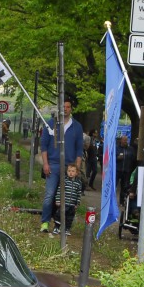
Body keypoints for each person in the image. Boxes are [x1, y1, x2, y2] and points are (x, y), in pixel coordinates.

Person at [39, 99, 85, 232]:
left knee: (68, 197)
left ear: (71, 109)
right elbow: (44, 145)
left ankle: (63, 224)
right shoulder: (51, 124)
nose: (65, 109)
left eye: (68, 107)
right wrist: (45, 163)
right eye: (63, 107)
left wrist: (76, 168)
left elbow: (79, 149)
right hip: (53, 165)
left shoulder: (77, 126)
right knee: (50, 194)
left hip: (69, 166)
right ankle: (45, 222)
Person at [51, 164, 86, 234]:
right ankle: (56, 227)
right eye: (69, 171)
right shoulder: (64, 181)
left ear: (76, 173)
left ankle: (67, 229)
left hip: (72, 204)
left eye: (73, 171)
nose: (70, 173)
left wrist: (77, 203)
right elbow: (59, 190)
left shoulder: (78, 183)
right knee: (59, 215)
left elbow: (78, 194)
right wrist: (58, 200)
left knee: (69, 217)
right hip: (64, 203)